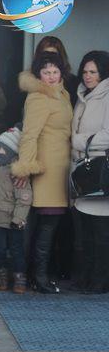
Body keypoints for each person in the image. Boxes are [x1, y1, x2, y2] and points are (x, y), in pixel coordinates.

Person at [12, 52, 72, 294]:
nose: (51, 76)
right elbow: (29, 135)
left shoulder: (63, 93)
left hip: (61, 168)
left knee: (50, 225)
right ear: (38, 74)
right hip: (47, 171)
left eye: (55, 72)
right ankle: (38, 277)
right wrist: (25, 167)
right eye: (46, 72)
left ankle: (38, 276)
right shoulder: (39, 97)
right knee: (46, 225)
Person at [70, 50, 109, 293]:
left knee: (101, 233)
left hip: (100, 172)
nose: (88, 76)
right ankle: (86, 278)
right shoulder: (82, 95)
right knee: (86, 233)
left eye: (93, 72)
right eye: (85, 71)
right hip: (83, 172)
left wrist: (78, 141)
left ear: (102, 73)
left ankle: (100, 281)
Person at [0, 125, 32, 293]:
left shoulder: (17, 171)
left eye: (3, 149)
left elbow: (24, 198)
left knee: (16, 250)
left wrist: (18, 219)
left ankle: (19, 277)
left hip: (13, 220)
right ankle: (1, 275)